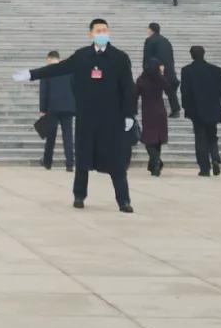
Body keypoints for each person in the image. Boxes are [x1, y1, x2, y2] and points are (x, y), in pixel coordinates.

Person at [15, 18, 136, 212]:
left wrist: (129, 113)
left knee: (116, 160)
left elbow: (128, 87)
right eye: (98, 31)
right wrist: (32, 74)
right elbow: (58, 68)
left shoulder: (119, 58)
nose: (102, 34)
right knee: (82, 158)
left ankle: (124, 200)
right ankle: (79, 195)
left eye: (105, 30)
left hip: (111, 117)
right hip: (86, 116)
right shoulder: (82, 56)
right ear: (91, 34)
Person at [179, 45, 221, 177]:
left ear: (192, 55)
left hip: (196, 110)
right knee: (212, 136)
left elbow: (184, 91)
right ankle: (215, 157)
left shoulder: (186, 70)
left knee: (200, 138)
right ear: (204, 54)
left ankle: (204, 168)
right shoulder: (215, 70)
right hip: (213, 108)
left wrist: (186, 107)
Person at [38, 50, 75, 171]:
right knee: (68, 136)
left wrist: (42, 110)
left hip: (52, 108)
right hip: (68, 108)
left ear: (49, 58)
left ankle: (47, 162)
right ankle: (69, 164)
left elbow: (43, 92)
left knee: (51, 137)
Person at [135, 59, 169, 176]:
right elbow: (170, 88)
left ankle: (156, 161)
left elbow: (135, 95)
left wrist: (132, 110)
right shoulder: (161, 79)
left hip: (148, 112)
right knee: (157, 139)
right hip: (160, 111)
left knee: (148, 139)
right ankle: (155, 164)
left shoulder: (141, 80)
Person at [143, 22, 180, 116]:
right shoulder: (166, 41)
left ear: (151, 30)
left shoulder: (150, 40)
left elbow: (147, 56)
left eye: (148, 29)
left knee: (152, 89)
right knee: (170, 90)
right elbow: (171, 56)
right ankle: (176, 110)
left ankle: (153, 110)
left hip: (155, 69)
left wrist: (146, 68)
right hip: (168, 69)